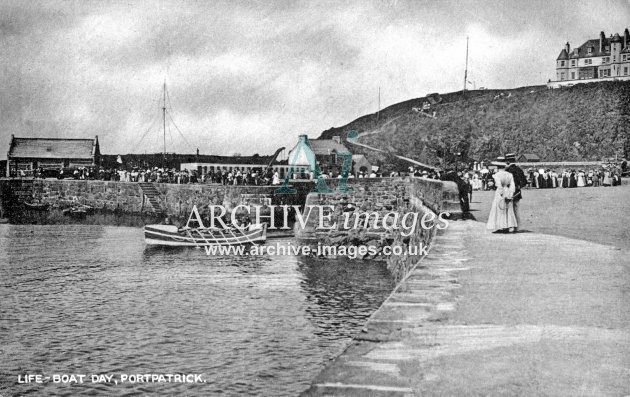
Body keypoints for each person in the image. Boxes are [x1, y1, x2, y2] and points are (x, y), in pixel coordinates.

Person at [486, 161, 517, 233]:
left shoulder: (497, 175)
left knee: (499, 208)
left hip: (500, 193)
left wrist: (502, 194)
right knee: (508, 209)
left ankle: (501, 226)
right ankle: (509, 226)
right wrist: (510, 194)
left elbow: (499, 185)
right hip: (507, 190)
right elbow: (512, 186)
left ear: (498, 167)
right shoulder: (509, 174)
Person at [504, 154, 527, 230]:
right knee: (516, 209)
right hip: (517, 192)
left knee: (508, 209)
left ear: (508, 161)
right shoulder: (519, 169)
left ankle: (509, 226)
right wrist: (519, 186)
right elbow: (524, 181)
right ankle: (517, 226)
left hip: (509, 192)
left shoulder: (507, 170)